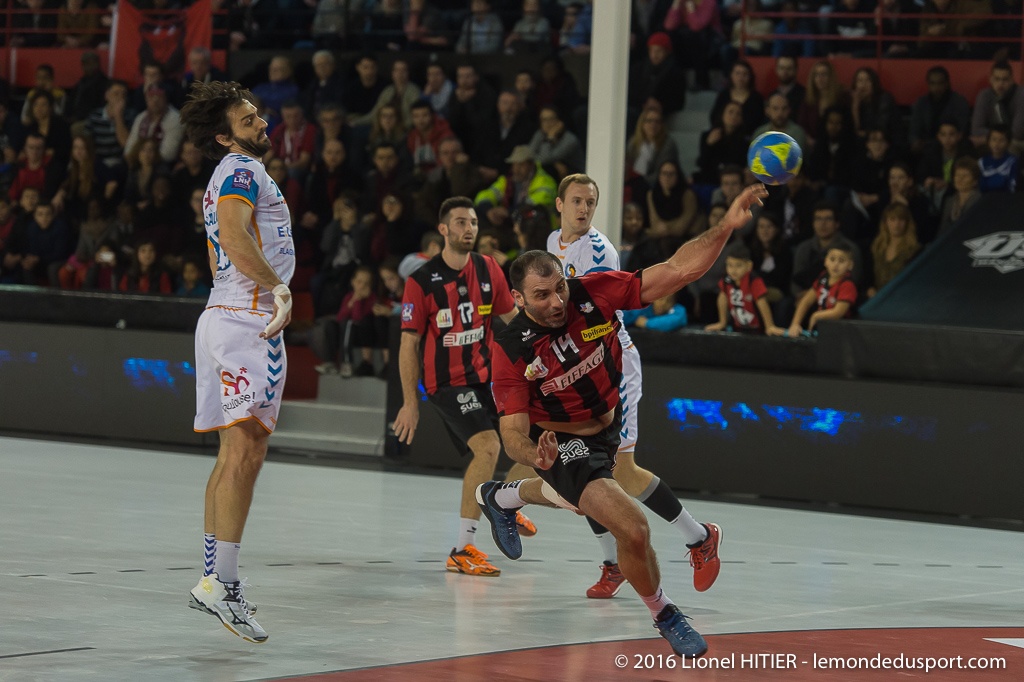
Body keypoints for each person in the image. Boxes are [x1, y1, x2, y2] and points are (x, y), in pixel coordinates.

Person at [476, 183, 769, 659]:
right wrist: (536, 454)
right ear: (519, 297)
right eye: (541, 295)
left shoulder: (594, 293)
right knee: (632, 527)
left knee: (575, 501)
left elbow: (676, 270)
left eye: (560, 289)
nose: (555, 302)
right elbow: (511, 435)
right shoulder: (511, 348)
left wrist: (725, 228)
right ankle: (665, 613)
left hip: (608, 425)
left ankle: (499, 498)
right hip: (563, 443)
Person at [546, 173, 723, 598]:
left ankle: (699, 537)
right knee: (580, 470)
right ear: (559, 204)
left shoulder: (599, 251)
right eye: (576, 201)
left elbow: (596, 316)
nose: (584, 208)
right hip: (578, 366)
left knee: (620, 471)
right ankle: (613, 563)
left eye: (590, 201)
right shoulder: (553, 244)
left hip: (612, 363)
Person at [181, 81, 296, 644]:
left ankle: (213, 579)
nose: (262, 124)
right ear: (226, 135)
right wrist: (278, 288)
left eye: (259, 115)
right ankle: (223, 585)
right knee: (246, 450)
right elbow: (233, 233)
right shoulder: (240, 169)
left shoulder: (234, 171)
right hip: (245, 317)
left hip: (225, 315)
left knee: (235, 451)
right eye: (249, 120)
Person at [393, 196, 536, 578]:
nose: (468, 228)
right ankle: (461, 549)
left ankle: (502, 503)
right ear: (443, 229)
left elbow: (512, 318)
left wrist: (543, 348)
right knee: (488, 447)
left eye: (472, 221)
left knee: (531, 438)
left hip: (487, 377)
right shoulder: (421, 281)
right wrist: (411, 402)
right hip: (446, 382)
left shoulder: (489, 268)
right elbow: (408, 344)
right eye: (460, 222)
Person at [704, 242, 782, 334]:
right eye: (730, 265)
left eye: (738, 265)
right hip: (738, 327)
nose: (733, 270)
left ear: (749, 266)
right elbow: (722, 297)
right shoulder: (726, 281)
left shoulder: (753, 281)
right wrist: (722, 322)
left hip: (758, 329)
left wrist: (769, 326)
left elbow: (762, 302)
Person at [788, 243, 857, 335]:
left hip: (842, 332)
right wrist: (795, 324)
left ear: (850, 265)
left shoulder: (847, 284)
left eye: (841, 261)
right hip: (823, 329)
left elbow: (838, 312)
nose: (836, 264)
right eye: (832, 259)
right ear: (826, 261)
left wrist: (816, 316)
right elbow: (806, 301)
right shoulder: (823, 278)